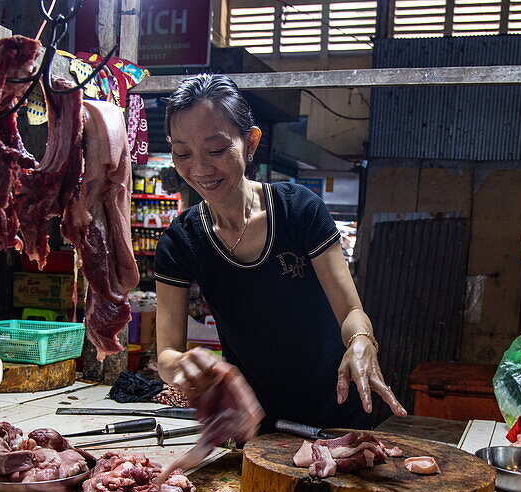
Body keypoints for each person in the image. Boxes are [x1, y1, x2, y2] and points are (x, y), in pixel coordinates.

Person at [153, 73, 406, 431]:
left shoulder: (298, 210)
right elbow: (166, 354)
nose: (199, 168)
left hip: (335, 415)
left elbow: (351, 311)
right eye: (182, 152)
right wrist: (181, 366)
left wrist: (362, 341)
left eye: (216, 150)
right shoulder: (181, 241)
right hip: (253, 425)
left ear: (251, 143)